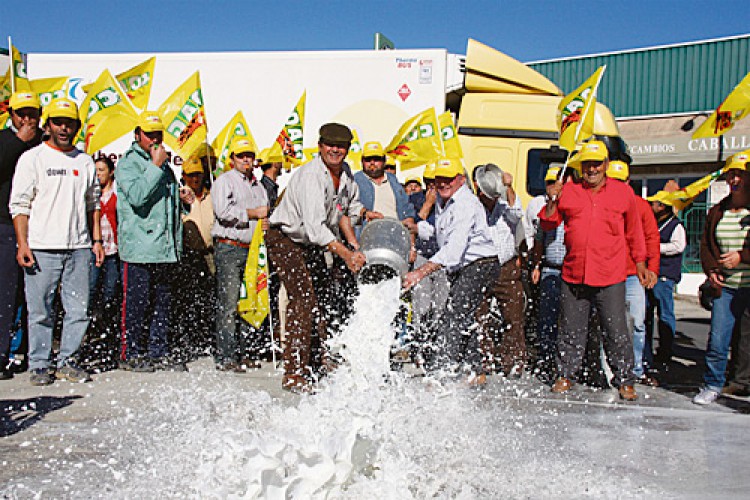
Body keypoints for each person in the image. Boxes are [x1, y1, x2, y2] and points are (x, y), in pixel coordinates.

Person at [540, 141, 647, 401]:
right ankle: (566, 374)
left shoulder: (623, 193)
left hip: (610, 274)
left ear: (606, 165)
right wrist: (553, 198)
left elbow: (635, 231)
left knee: (615, 329)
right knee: (570, 330)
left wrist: (642, 263)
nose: (592, 169)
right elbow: (548, 222)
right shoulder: (569, 191)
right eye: (587, 164)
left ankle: (625, 380)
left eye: (596, 164)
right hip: (574, 273)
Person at [9, 98, 103, 385]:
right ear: (48, 124)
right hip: (41, 246)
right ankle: (39, 364)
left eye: (69, 123)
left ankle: (68, 361)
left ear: (76, 127)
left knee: (79, 310)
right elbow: (20, 205)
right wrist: (23, 244)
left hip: (78, 248)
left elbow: (93, 204)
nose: (64, 128)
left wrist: (96, 240)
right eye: (58, 122)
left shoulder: (85, 161)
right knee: (40, 310)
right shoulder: (32, 158)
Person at [267, 123, 366, 393]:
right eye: (329, 145)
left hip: (312, 243)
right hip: (286, 239)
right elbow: (314, 228)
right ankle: (294, 372)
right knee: (303, 299)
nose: (335, 150)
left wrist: (355, 243)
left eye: (341, 146)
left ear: (347, 149)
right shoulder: (311, 176)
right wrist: (346, 254)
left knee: (321, 299)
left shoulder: (346, 175)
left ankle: (316, 362)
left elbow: (346, 214)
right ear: (320, 146)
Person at [403, 158, 499, 385]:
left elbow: (453, 252)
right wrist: (417, 228)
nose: (443, 183)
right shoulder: (443, 200)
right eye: (439, 179)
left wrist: (420, 273)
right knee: (463, 317)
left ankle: (442, 372)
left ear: (461, 180)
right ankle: (476, 372)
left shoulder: (465, 203)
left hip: (480, 264)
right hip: (466, 266)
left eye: (449, 179)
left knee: (454, 316)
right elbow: (442, 234)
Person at [116, 111, 192, 372]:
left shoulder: (163, 164)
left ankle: (158, 350)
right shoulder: (129, 164)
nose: (154, 140)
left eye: (158, 134)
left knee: (162, 302)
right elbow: (137, 196)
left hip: (164, 247)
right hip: (139, 248)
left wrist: (184, 203)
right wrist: (155, 167)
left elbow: (164, 206)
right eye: (149, 135)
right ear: (138, 135)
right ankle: (131, 352)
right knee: (137, 303)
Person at [693, 152, 750, 405]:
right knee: (718, 338)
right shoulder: (719, 210)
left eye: (740, 174)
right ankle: (712, 383)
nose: (735, 179)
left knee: (746, 341)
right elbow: (706, 243)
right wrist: (712, 270)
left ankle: (741, 384)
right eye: (731, 175)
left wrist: (742, 256)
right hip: (725, 287)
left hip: (747, 285)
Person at [211, 137, 269, 372]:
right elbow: (222, 211)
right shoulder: (225, 181)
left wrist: (265, 222)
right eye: (241, 156)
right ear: (232, 158)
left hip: (252, 249)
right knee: (229, 303)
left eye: (249, 156)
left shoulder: (258, 185)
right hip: (230, 247)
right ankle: (226, 355)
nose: (246, 160)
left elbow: (264, 212)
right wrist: (254, 213)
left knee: (250, 300)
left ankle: (245, 351)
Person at [606, 160, 660, 386]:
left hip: (633, 276)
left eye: (621, 181)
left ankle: (635, 368)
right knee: (608, 324)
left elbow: (651, 238)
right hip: (609, 274)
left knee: (637, 322)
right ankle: (609, 370)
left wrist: (652, 269)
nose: (618, 185)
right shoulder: (602, 204)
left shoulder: (641, 205)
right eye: (614, 181)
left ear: (628, 181)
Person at [0, 92, 43, 380]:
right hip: (4, 225)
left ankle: (28, 352)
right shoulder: (4, 139)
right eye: (21, 114)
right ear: (11, 115)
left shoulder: (46, 143)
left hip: (39, 228)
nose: (27, 119)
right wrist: (19, 142)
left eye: (32, 114)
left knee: (33, 296)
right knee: (4, 294)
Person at [473, 164, 527, 377]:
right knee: (480, 317)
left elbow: (517, 212)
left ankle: (512, 361)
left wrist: (509, 187)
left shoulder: (505, 206)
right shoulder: (473, 209)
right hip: (481, 266)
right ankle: (483, 360)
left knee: (513, 316)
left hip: (506, 268)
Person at [528, 166, 571, 381]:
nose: (553, 186)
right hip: (550, 269)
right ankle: (546, 361)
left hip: (571, 271)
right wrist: (536, 265)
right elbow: (538, 240)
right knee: (547, 319)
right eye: (549, 182)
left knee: (569, 320)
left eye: (557, 181)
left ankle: (568, 365)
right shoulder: (545, 209)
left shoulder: (573, 207)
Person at [173, 155, 215, 361]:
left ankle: (206, 339)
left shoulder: (211, 195)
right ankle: (187, 341)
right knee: (189, 300)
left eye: (198, 175)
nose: (195, 179)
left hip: (210, 254)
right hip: (189, 257)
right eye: (191, 175)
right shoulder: (180, 197)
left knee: (210, 298)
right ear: (184, 176)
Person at [82, 155, 121, 369]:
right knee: (90, 293)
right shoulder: (91, 192)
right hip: (94, 250)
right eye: (96, 171)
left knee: (110, 294)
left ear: (110, 172)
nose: (98, 175)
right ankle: (89, 335)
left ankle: (108, 335)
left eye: (102, 170)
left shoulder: (116, 192)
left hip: (113, 249)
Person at [409, 164, 449, 364]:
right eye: (429, 184)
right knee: (421, 305)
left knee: (441, 305)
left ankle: (435, 347)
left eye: (437, 184)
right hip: (423, 258)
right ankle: (418, 348)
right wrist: (427, 203)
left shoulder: (449, 201)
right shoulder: (416, 199)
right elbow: (412, 224)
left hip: (443, 259)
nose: (434, 188)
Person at [645, 191, 686, 368]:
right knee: (646, 315)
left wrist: (655, 247)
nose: (651, 206)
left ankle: (666, 350)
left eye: (654, 203)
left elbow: (678, 246)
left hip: (664, 276)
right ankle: (646, 351)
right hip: (649, 274)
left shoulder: (675, 226)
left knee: (665, 315)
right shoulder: (653, 223)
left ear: (663, 206)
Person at [353, 141, 416, 229]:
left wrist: (409, 221)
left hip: (396, 235)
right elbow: (349, 208)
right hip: (369, 236)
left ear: (384, 161)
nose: (372, 163)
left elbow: (406, 206)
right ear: (362, 161)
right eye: (368, 159)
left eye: (376, 159)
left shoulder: (392, 179)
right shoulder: (355, 180)